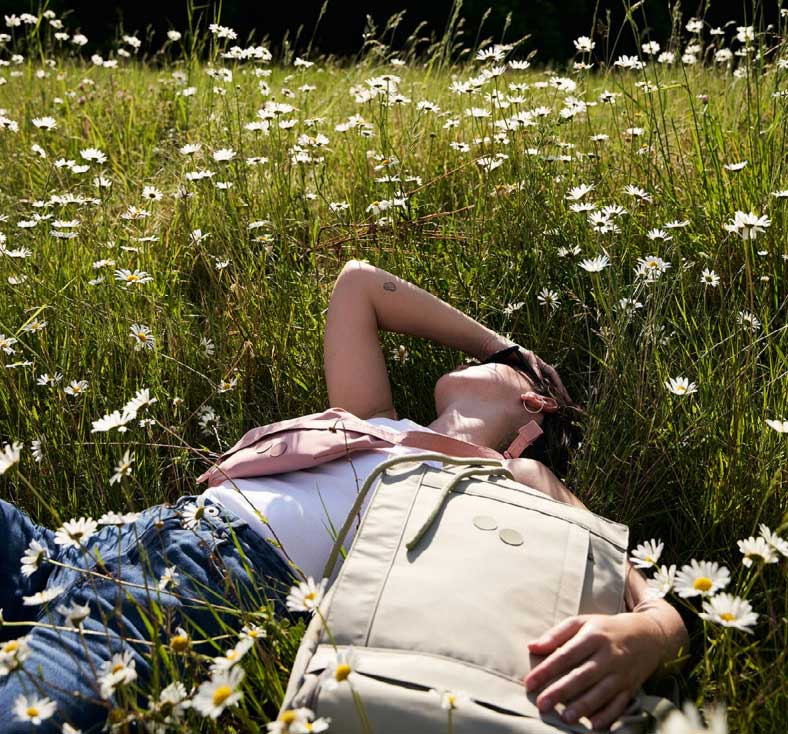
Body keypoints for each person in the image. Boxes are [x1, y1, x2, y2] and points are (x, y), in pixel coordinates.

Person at [0, 259, 688, 733]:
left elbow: (632, 581)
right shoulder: (372, 422)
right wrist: (505, 348)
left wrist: (651, 635)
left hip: (207, 586)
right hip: (92, 547)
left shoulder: (509, 481)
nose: (477, 365)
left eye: (500, 372)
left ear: (534, 409)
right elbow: (359, 285)